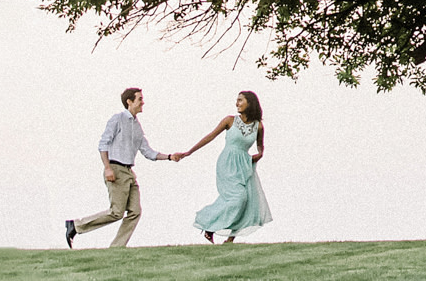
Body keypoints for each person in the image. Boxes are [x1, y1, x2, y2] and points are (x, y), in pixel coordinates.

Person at [64, 87, 175, 248]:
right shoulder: (117, 119)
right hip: (115, 169)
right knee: (117, 212)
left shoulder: (137, 126)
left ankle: (117, 247)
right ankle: (76, 226)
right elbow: (103, 144)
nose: (143, 102)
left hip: (129, 172)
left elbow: (148, 152)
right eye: (140, 99)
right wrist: (107, 168)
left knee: (135, 212)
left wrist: (170, 157)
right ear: (129, 102)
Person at [177, 89, 273, 242]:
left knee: (246, 201)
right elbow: (210, 136)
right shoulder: (230, 120)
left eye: (240, 100)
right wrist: (189, 152)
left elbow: (261, 146)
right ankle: (208, 223)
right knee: (238, 199)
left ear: (250, 102)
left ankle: (230, 240)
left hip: (245, 164)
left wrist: (260, 154)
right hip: (227, 163)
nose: (237, 103)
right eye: (237, 100)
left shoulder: (258, 126)